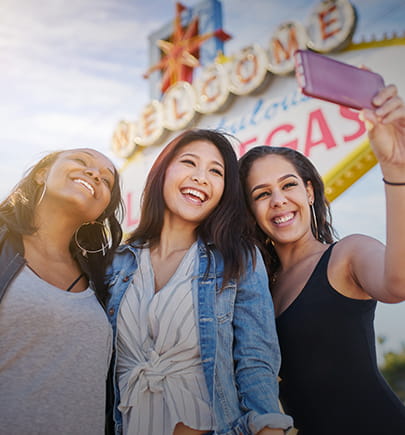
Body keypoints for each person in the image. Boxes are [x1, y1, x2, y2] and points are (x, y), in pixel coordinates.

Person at [238, 83, 405, 435]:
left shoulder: (347, 255)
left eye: (289, 185)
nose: (279, 200)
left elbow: (397, 283)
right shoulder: (257, 292)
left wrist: (394, 170)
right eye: (262, 193)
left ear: (309, 191)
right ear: (250, 212)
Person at [105, 129, 293, 435]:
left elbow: (255, 360)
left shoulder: (239, 259)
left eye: (215, 171)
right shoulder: (117, 262)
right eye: (189, 163)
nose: (201, 177)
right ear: (162, 172)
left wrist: (269, 425)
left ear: (223, 190)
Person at [0, 148, 123, 434]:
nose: (95, 174)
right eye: (82, 162)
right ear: (42, 174)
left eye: (106, 180)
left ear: (101, 212)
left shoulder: (104, 279)